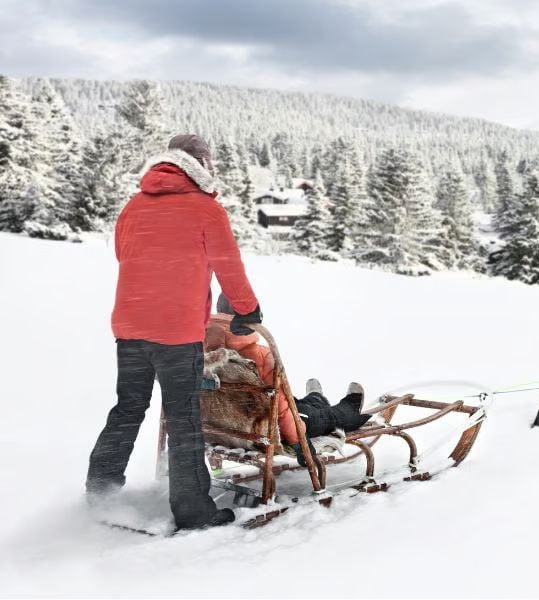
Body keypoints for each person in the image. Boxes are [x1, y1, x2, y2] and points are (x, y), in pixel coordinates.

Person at [86, 134, 263, 530]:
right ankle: (192, 510)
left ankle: (100, 492)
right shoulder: (206, 209)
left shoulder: (134, 205)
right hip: (177, 333)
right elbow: (228, 265)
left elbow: (124, 254)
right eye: (210, 162)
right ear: (199, 163)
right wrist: (247, 310)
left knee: (128, 408)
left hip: (130, 327)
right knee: (183, 416)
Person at [208, 294, 370, 463]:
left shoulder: (203, 353)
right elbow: (281, 404)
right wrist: (299, 442)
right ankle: (350, 407)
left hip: (230, 428)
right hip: (267, 428)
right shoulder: (259, 354)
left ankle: (316, 398)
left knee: (299, 405)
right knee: (324, 417)